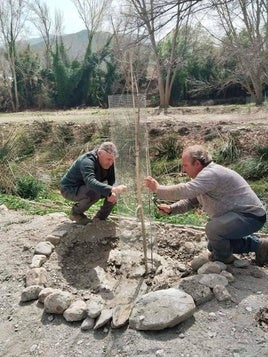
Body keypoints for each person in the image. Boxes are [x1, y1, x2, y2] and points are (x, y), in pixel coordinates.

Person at [144, 144, 267, 266]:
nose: (183, 170)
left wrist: (158, 189)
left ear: (197, 163)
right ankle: (260, 246)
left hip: (250, 217)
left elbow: (185, 190)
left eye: (185, 165)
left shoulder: (210, 174)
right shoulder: (204, 178)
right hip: (244, 216)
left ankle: (224, 260)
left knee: (213, 229)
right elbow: (191, 201)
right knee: (213, 244)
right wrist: (171, 209)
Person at [60, 141, 127, 225]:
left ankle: (99, 218)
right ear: (99, 153)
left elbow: (112, 180)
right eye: (108, 159)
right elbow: (90, 182)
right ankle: (75, 213)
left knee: (115, 193)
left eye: (113, 160)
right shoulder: (87, 161)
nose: (110, 163)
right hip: (69, 189)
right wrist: (112, 189)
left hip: (86, 187)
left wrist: (113, 190)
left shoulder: (110, 163)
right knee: (94, 192)